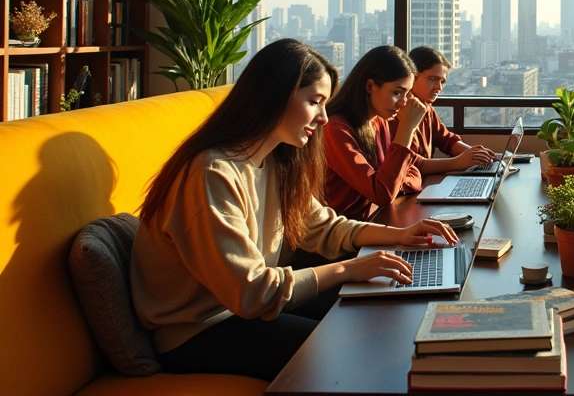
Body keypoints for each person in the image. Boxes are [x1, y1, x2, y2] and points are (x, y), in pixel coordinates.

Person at [130, 39, 459, 382]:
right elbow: (252, 292)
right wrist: (349, 269)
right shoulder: (211, 173)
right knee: (347, 349)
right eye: (315, 102)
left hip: (241, 311)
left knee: (375, 306)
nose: (324, 117)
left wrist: (401, 235)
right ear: (275, 97)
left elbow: (325, 227)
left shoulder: (275, 158)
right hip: (197, 329)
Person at [324, 45, 428, 220]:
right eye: (397, 92)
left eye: (407, 94)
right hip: (343, 233)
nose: (403, 103)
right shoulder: (336, 129)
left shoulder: (379, 120)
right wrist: (407, 128)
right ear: (370, 86)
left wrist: (393, 182)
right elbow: (383, 194)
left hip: (374, 221)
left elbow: (411, 171)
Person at [407, 46, 496, 173]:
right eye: (432, 79)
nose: (438, 88)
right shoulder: (397, 112)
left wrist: (475, 154)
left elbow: (446, 140)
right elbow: (410, 163)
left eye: (442, 82)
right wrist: (456, 163)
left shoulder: (426, 108)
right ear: (412, 77)